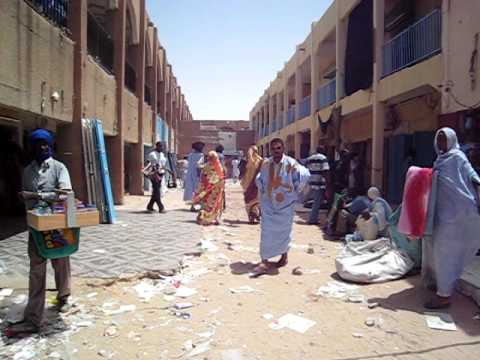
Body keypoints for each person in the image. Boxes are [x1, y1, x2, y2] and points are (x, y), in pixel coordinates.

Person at [7, 129, 72, 335]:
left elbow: (66, 194)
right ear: (32, 147)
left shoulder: (59, 168)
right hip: (35, 228)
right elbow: (28, 197)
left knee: (61, 263)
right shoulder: (28, 171)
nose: (42, 148)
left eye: (45, 144)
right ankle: (34, 317)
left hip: (56, 226)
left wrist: (42, 196)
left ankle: (63, 296)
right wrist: (26, 198)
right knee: (36, 271)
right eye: (38, 145)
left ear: (51, 146)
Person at [422, 127, 480, 309]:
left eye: (443, 139)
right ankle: (442, 284)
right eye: (438, 139)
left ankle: (444, 295)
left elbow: (472, 175)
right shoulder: (440, 160)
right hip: (443, 213)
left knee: (445, 252)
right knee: (438, 249)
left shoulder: (458, 157)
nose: (440, 143)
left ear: (451, 140)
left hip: (459, 212)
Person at [251, 138, 310, 276]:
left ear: (283, 149)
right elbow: (260, 178)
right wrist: (262, 187)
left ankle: (284, 257)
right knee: (266, 232)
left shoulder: (291, 163)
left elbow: (304, 175)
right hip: (269, 204)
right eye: (273, 148)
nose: (276, 151)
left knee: (284, 232)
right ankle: (264, 260)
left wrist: (294, 192)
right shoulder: (266, 163)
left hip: (286, 205)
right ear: (270, 150)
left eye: (278, 148)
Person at [193, 151, 225, 225]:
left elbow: (203, 178)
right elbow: (220, 177)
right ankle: (208, 217)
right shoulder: (217, 165)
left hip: (209, 189)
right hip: (215, 188)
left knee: (211, 204)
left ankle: (209, 217)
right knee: (215, 204)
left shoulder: (207, 166)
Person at [306, 146, 330, 225]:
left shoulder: (310, 159)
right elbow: (325, 171)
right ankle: (312, 219)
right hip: (320, 182)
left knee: (316, 200)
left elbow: (306, 169)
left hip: (312, 181)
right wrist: (328, 183)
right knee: (317, 201)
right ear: (323, 150)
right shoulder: (323, 158)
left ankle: (314, 217)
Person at [239, 145, 263, 224]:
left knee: (252, 200)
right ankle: (254, 217)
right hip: (252, 184)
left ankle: (254, 216)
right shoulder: (258, 160)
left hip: (252, 184)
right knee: (253, 200)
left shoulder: (254, 160)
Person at [144, 142, 167, 213]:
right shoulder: (152, 154)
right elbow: (147, 163)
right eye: (160, 146)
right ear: (156, 146)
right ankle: (161, 207)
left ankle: (150, 206)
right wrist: (147, 171)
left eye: (162, 146)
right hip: (154, 174)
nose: (161, 148)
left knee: (156, 191)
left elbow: (163, 164)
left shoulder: (162, 154)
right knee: (157, 190)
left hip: (161, 174)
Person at [184, 142, 205, 211]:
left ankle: (192, 206)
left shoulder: (190, 155)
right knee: (199, 190)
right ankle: (201, 206)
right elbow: (198, 166)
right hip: (197, 175)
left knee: (192, 190)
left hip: (189, 174)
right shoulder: (201, 155)